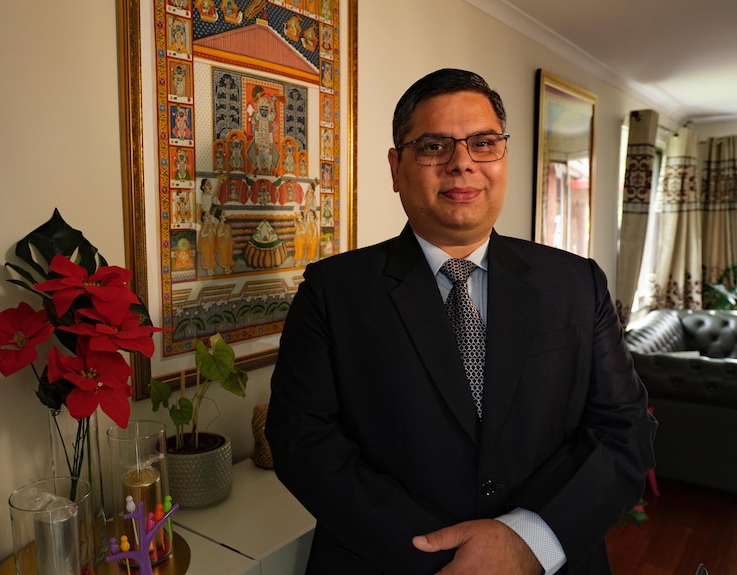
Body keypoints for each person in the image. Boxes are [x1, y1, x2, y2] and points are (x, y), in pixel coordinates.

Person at [265, 69, 657, 575]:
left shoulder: (576, 283)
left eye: (483, 143)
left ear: (503, 156)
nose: (462, 164)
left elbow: (624, 428)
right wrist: (448, 557)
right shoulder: (331, 291)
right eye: (433, 146)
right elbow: (302, 440)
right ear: (396, 166)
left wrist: (527, 542)